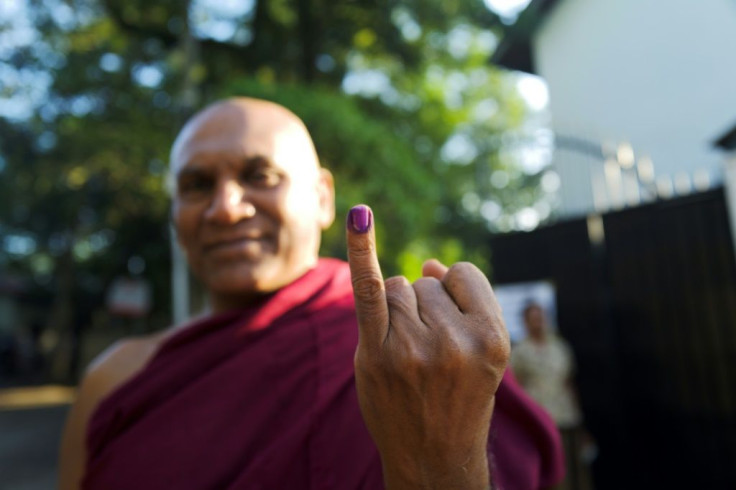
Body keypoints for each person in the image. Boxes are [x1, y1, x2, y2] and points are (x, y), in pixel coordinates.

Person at [59, 97, 564, 489]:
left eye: (260, 176)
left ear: (323, 198)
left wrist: (441, 461)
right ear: (175, 214)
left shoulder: (416, 352)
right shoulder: (116, 381)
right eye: (196, 185)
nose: (226, 208)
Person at [511, 302, 594, 490]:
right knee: (553, 477)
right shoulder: (520, 352)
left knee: (575, 471)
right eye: (533, 319)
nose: (538, 322)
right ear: (525, 322)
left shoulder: (560, 347)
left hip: (567, 418)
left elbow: (569, 383)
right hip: (540, 422)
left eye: (541, 317)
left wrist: (581, 423)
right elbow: (516, 388)